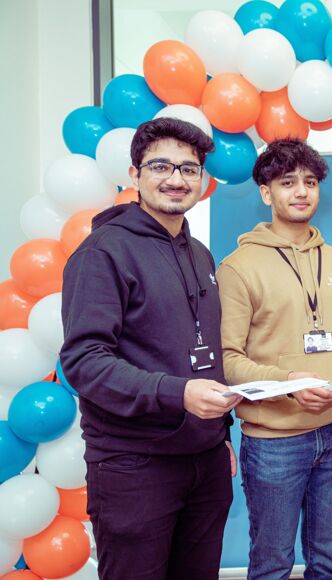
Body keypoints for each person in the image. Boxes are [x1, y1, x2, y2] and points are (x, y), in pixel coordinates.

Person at [60, 117, 241, 580]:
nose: (176, 179)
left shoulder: (198, 252)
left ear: (202, 179)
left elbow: (202, 351)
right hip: (134, 466)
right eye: (161, 166)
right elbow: (84, 362)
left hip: (204, 461)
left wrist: (220, 436)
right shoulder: (102, 252)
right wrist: (177, 393)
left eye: (189, 168)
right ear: (134, 174)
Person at [217, 138, 332, 579]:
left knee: (329, 561)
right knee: (272, 564)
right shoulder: (237, 268)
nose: (301, 191)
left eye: (309, 182)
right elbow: (229, 360)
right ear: (266, 193)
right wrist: (290, 383)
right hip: (274, 441)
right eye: (287, 182)